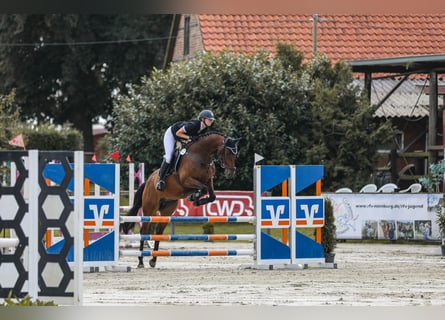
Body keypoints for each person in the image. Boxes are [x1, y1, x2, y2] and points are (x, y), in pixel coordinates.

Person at [156, 109, 215, 191]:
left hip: (183, 138)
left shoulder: (204, 129)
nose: (211, 121)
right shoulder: (193, 125)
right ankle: (161, 179)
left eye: (211, 120)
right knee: (169, 156)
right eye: (209, 119)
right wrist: (190, 138)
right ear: (203, 119)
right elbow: (178, 133)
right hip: (172, 135)